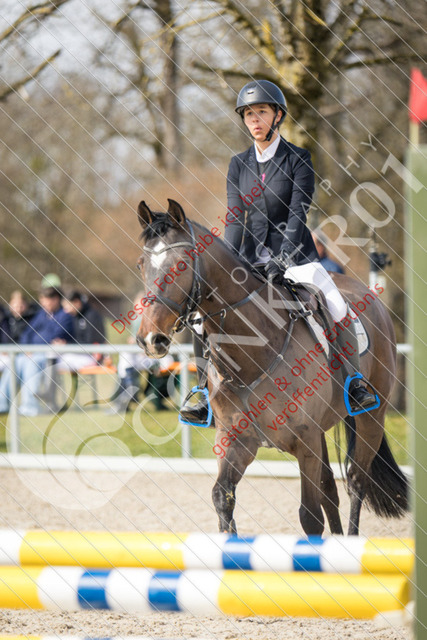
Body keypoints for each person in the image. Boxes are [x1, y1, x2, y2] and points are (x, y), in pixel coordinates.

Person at [180, 79, 377, 424]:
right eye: (249, 114)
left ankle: (354, 383)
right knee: (200, 318)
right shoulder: (238, 164)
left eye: (261, 112)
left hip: (296, 258)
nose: (254, 120)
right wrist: (229, 261)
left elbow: (298, 213)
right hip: (249, 261)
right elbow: (235, 218)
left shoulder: (298, 159)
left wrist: (283, 258)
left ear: (278, 115)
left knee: (335, 302)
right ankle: (202, 394)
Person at [0, 287, 74, 416]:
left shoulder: (65, 316)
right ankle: (2, 404)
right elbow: (27, 333)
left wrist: (34, 349)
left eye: (46, 300)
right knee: (15, 362)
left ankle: (30, 406)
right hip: (32, 352)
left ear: (56, 299)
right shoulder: (41, 314)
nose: (43, 304)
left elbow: (55, 336)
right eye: (42, 300)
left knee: (31, 364)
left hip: (50, 354)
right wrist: (26, 348)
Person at [59, 291, 106, 371]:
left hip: (92, 356)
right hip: (79, 354)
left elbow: (90, 343)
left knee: (56, 363)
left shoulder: (91, 316)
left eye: (67, 306)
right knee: (52, 359)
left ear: (77, 302)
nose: (66, 311)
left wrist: (67, 345)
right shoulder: (75, 316)